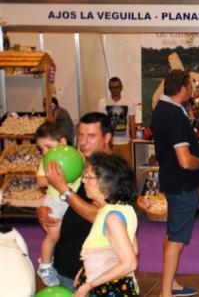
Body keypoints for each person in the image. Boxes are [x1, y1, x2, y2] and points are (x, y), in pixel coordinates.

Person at [152, 70, 199, 297]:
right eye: (190, 86)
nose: (192, 89)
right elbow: (186, 161)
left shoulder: (163, 109)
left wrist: (198, 151)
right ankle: (166, 292)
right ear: (182, 90)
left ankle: (171, 284)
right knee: (177, 240)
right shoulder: (173, 114)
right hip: (182, 184)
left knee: (172, 235)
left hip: (173, 180)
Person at [37, 112, 113, 290]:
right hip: (65, 261)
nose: (83, 141)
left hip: (92, 270)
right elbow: (55, 194)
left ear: (107, 137)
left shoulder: (114, 172)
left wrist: (64, 189)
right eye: (82, 135)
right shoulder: (77, 161)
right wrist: (43, 210)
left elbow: (99, 216)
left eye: (91, 136)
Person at [73, 153, 138, 297]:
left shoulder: (112, 218)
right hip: (110, 284)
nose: (83, 181)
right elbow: (134, 249)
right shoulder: (123, 209)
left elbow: (129, 263)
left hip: (109, 289)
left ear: (106, 182)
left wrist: (89, 284)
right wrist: (86, 270)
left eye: (88, 177)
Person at [34, 121, 79, 287]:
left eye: (48, 146)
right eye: (41, 149)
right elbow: (39, 182)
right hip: (54, 202)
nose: (45, 152)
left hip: (70, 201)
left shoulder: (75, 156)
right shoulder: (46, 162)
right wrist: (53, 178)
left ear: (62, 142)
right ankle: (45, 266)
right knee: (53, 235)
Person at [97, 77, 136, 166]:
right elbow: (100, 124)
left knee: (126, 170)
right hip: (109, 144)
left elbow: (132, 122)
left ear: (121, 87)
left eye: (117, 87)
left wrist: (132, 140)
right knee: (109, 170)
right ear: (109, 88)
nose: (114, 90)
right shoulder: (102, 102)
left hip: (125, 143)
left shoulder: (129, 102)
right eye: (112, 88)